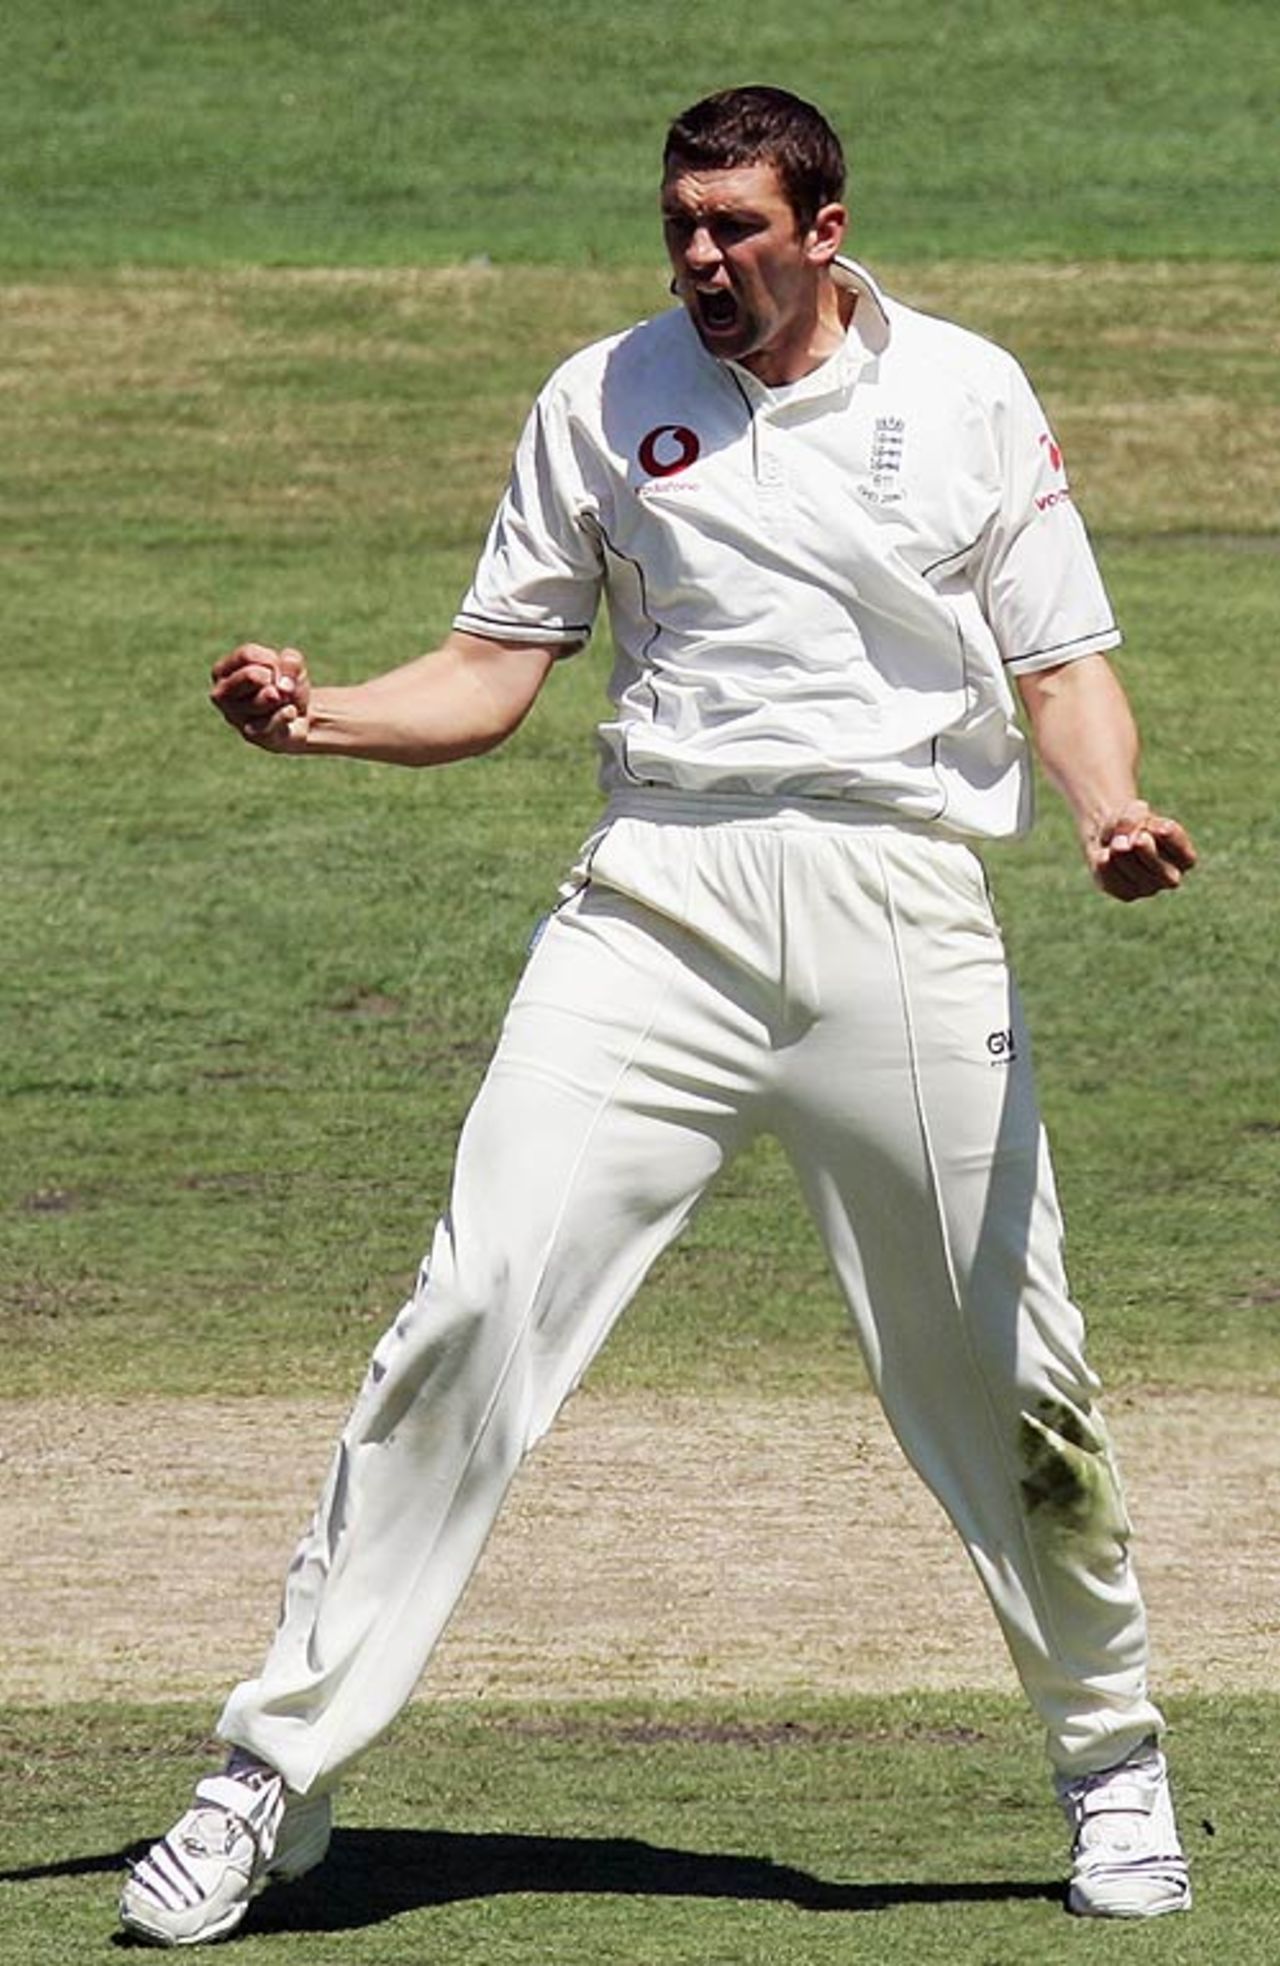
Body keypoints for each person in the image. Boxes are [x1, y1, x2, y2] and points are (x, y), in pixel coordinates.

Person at [120, 85, 1197, 1947]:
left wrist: (1104, 805)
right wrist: (321, 715)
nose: (702, 258)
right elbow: (487, 675)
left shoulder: (969, 394)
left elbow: (1062, 658)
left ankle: (1112, 1764)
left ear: (827, 227)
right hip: (659, 908)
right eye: (681, 226)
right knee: (467, 1314)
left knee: (1011, 1377)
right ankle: (267, 1779)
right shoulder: (601, 398)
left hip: (901, 909)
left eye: (736, 227)